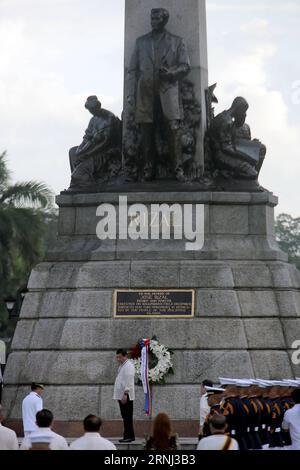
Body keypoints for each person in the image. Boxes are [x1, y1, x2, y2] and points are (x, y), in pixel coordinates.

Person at [127, 8, 191, 182]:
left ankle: (178, 169)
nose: (153, 20)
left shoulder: (177, 42)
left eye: (157, 18)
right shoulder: (141, 42)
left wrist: (170, 73)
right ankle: (149, 169)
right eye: (152, 17)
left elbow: (185, 66)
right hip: (145, 92)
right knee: (146, 131)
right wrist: (130, 95)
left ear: (164, 20)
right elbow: (132, 70)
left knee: (173, 129)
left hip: (168, 90)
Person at [68, 95, 121, 190]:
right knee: (72, 152)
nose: (92, 112)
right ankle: (78, 179)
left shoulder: (109, 118)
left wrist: (87, 153)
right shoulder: (93, 119)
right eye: (90, 110)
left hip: (104, 152)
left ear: (98, 107)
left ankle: (84, 183)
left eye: (93, 110)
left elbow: (105, 142)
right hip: (92, 147)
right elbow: (87, 137)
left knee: (79, 172)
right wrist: (80, 150)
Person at [209, 97, 266, 180]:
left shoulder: (225, 117)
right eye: (243, 111)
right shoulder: (225, 122)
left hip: (225, 153)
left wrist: (251, 144)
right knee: (252, 174)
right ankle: (224, 175)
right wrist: (247, 156)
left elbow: (231, 142)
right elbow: (226, 148)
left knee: (259, 150)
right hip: (221, 157)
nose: (244, 114)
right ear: (239, 109)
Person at [113, 349, 135, 443]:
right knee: (125, 416)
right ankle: (129, 435)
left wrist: (125, 394)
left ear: (125, 356)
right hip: (122, 394)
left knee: (127, 416)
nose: (118, 359)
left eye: (120, 357)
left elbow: (129, 381)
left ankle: (128, 436)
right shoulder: (123, 365)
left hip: (126, 395)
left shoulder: (128, 366)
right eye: (117, 357)